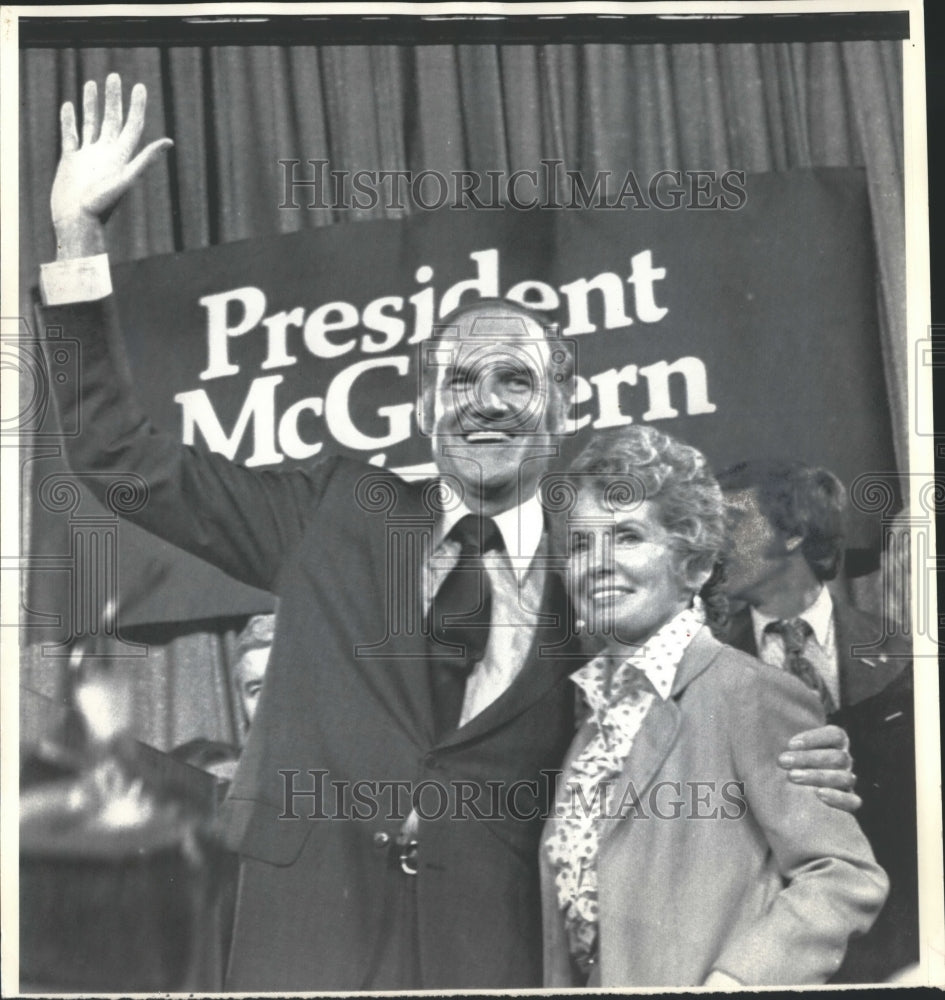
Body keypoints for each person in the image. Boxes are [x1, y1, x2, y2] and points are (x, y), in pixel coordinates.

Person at [37, 74, 860, 990]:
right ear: (424, 404)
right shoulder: (334, 512)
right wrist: (77, 237)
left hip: (494, 945)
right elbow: (116, 457)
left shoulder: (597, 561)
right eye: (459, 383)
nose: (486, 404)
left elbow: (706, 688)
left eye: (516, 381)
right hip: (308, 930)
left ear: (562, 405)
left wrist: (809, 749)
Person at [540, 427, 888, 988]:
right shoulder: (591, 724)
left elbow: (843, 873)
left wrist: (737, 981)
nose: (596, 563)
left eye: (627, 536)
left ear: (695, 567)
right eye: (580, 544)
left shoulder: (749, 693)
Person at [717, 459, 918, 982]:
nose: (714, 543)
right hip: (764, 957)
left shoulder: (903, 656)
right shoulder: (703, 665)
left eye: (732, 522)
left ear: (793, 533)